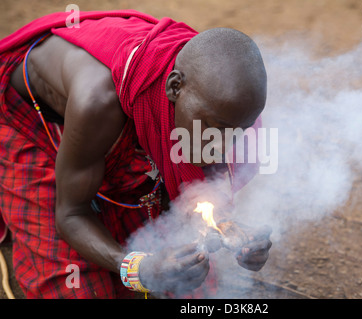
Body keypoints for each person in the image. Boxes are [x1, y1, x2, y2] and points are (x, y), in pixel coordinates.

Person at [0, 10, 271, 298]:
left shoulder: (214, 107)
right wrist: (137, 268)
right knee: (77, 290)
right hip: (35, 125)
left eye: (237, 131)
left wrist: (228, 230)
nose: (221, 145)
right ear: (174, 87)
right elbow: (71, 214)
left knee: (191, 285)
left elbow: (195, 194)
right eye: (215, 129)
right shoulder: (99, 100)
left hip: (102, 139)